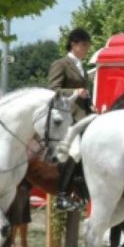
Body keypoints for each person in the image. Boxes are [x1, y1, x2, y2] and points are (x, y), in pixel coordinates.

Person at [49, 27, 93, 211]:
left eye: (88, 46)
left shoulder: (81, 66)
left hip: (83, 115)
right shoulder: (61, 64)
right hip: (67, 116)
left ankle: (82, 191)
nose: (87, 49)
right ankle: (61, 196)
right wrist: (75, 92)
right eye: (84, 45)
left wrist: (91, 104)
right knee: (75, 152)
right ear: (73, 44)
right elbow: (53, 88)